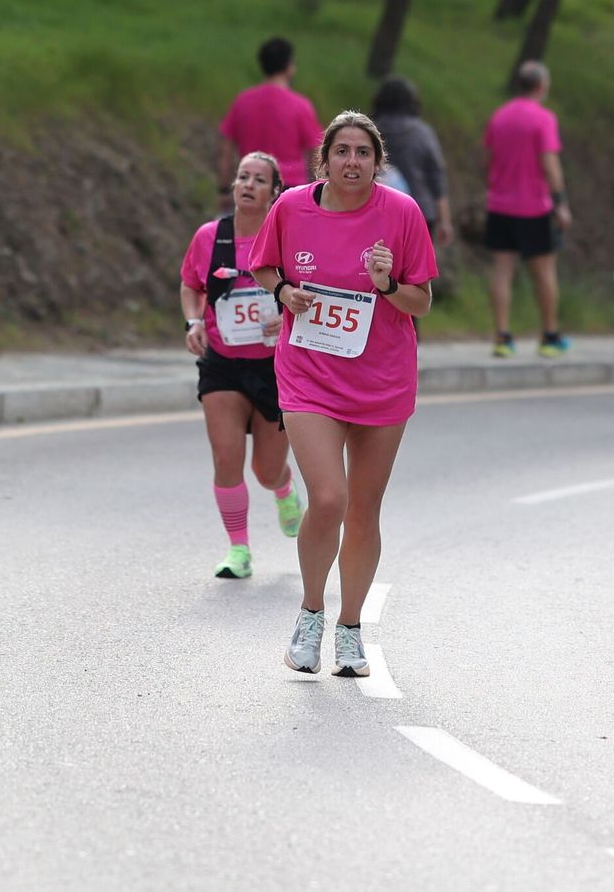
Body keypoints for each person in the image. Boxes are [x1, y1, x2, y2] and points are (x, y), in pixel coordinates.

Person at [249, 111, 438, 677]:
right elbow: (262, 266)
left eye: (363, 153)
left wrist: (385, 285)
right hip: (309, 374)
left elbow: (421, 301)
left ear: (378, 163)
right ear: (323, 160)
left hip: (382, 378)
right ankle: (311, 614)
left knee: (362, 510)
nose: (352, 161)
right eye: (342, 151)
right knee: (328, 498)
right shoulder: (292, 208)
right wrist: (284, 291)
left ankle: (350, 629)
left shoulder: (401, 214)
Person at [179, 151, 305, 580]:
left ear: (275, 192)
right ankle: (239, 549)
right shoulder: (210, 237)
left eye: (259, 180)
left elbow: (309, 292)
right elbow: (190, 284)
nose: (248, 185)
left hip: (274, 368)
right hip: (222, 365)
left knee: (265, 470)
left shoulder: (288, 239)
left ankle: (284, 488)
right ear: (233, 186)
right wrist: (194, 320)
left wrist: (285, 311)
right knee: (226, 457)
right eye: (242, 177)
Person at [482, 60, 571, 358]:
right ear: (542, 86)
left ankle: (503, 337)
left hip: (500, 203)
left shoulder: (499, 117)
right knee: (544, 271)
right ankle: (549, 335)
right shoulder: (543, 118)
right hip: (534, 205)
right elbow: (549, 163)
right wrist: (560, 202)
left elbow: (488, 160)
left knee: (502, 270)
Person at [217, 37, 322, 193]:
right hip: (289, 190)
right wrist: (318, 190)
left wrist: (224, 188)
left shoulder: (243, 101)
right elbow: (316, 151)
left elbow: (226, 149)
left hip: (250, 186)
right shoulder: (300, 106)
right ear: (289, 66)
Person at [371, 75, 454, 246]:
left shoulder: (368, 131)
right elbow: (436, 176)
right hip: (419, 211)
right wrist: (445, 220)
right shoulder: (422, 133)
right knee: (414, 269)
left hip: (375, 211)